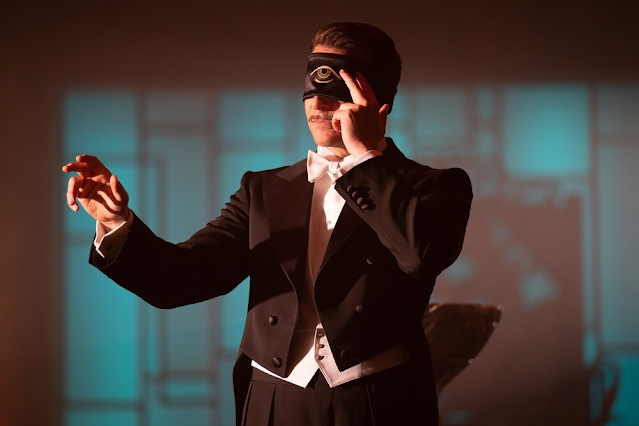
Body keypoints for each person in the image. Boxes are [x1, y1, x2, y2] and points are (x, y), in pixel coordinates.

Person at [62, 22, 472, 426]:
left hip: (378, 401)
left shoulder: (436, 186)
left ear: (378, 101)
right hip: (273, 401)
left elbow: (421, 255)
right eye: (312, 87)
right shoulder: (262, 189)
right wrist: (116, 223)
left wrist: (365, 159)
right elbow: (180, 280)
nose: (318, 103)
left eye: (337, 89)